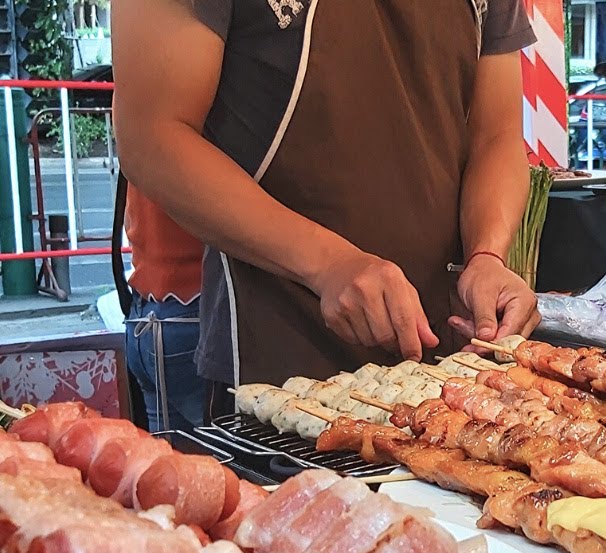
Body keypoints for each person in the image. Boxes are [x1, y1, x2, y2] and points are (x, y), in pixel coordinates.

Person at [111, 0, 542, 416]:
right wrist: (329, 263)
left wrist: (487, 255)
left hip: (446, 367)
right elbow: (152, 138)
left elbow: (496, 137)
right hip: (278, 364)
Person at [122, 186, 206, 432]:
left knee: (171, 459)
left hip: (145, 315)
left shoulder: (144, 149)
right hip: (194, 310)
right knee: (235, 455)